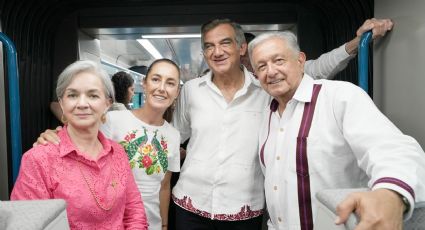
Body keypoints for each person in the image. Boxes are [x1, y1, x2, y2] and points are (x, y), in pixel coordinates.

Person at [171, 18, 393, 230]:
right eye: (209, 46)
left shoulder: (267, 89)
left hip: (244, 208)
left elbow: (315, 68)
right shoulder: (191, 90)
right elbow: (172, 138)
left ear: (241, 49)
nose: (217, 51)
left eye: (225, 43)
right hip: (189, 203)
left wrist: (357, 43)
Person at [248, 31, 425, 230]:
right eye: (261, 66)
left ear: (300, 60)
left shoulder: (339, 97)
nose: (270, 72)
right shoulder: (267, 115)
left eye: (278, 60)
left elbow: (394, 149)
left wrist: (390, 194)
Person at [36, 59, 182, 230]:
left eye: (170, 83)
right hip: (112, 218)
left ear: (177, 92)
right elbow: (81, 140)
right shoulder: (113, 120)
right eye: (156, 79)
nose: (162, 88)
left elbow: (164, 186)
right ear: (144, 83)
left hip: (151, 221)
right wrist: (55, 135)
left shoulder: (173, 135)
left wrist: (164, 225)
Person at [12, 60, 148, 229]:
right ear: (62, 103)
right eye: (72, 95)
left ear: (107, 104)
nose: (82, 104)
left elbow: (134, 210)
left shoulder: (118, 152)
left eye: (93, 95)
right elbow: (27, 224)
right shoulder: (38, 160)